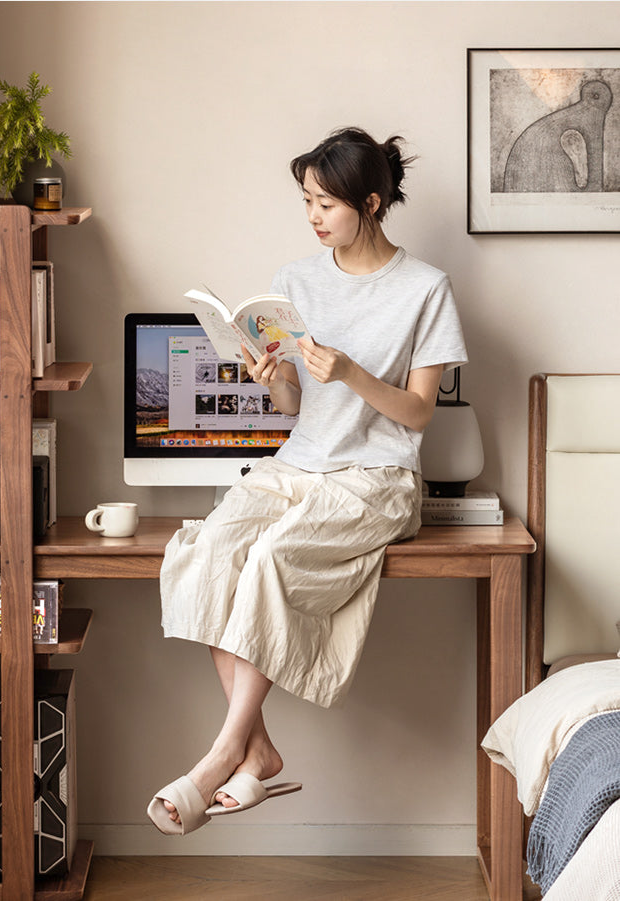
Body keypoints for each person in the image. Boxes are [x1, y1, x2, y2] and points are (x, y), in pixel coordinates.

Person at [147, 126, 468, 835]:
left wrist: (350, 370)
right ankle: (258, 747)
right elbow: (296, 405)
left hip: (375, 477)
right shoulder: (295, 279)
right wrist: (275, 380)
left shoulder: (426, 290)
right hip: (298, 465)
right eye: (307, 201)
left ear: (372, 202)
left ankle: (225, 749)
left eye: (326, 202)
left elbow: (417, 415)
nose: (314, 215)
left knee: (270, 559)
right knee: (213, 548)